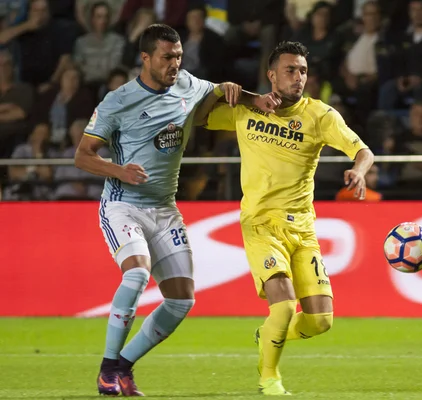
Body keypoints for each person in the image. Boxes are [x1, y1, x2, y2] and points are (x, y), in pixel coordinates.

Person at [74, 23, 276, 397]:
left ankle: (124, 367)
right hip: (123, 206)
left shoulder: (186, 83)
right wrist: (120, 170)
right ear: (146, 57)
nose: (175, 64)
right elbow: (82, 156)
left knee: (182, 299)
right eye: (167, 57)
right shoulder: (118, 101)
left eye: (179, 56)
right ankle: (107, 369)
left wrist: (250, 97)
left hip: (165, 210)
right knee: (136, 276)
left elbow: (218, 91)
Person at [195, 41, 375, 395]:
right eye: (290, 70)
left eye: (303, 71)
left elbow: (363, 150)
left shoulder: (320, 115)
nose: (298, 77)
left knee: (321, 321)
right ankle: (269, 378)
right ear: (272, 75)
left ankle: (269, 336)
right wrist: (221, 91)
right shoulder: (247, 111)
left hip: (303, 230)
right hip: (260, 224)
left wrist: (360, 171)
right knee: (283, 305)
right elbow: (200, 117)